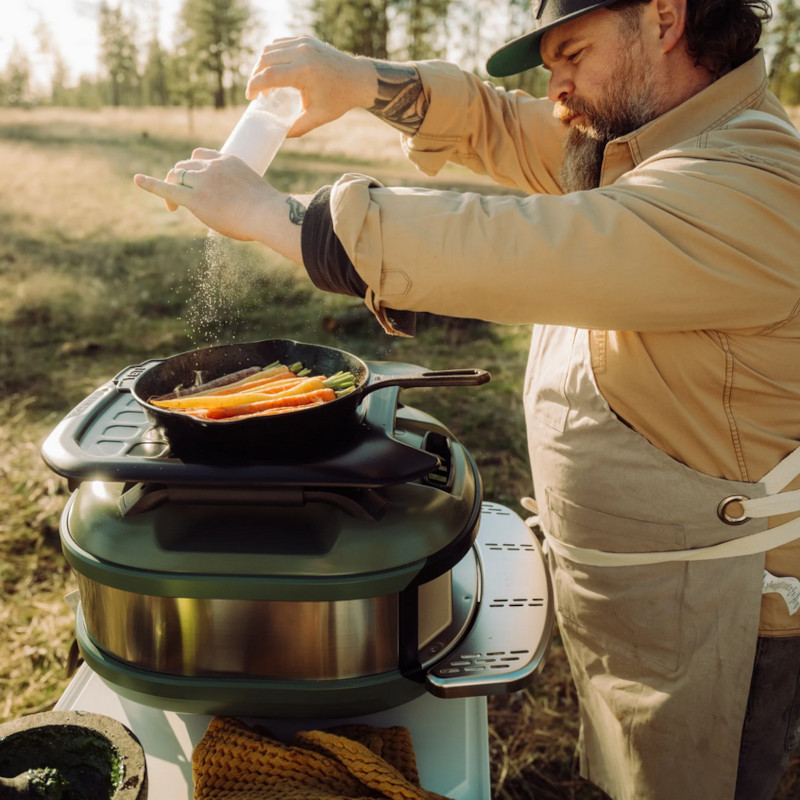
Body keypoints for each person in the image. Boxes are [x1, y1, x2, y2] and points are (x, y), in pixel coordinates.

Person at [134, 1, 800, 797]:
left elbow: (524, 248)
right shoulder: (649, 137)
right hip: (645, 588)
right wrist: (359, 81)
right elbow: (507, 127)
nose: (555, 87)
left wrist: (278, 217)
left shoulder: (754, 180)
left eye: (572, 54)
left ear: (663, 17)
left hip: (725, 617)